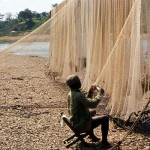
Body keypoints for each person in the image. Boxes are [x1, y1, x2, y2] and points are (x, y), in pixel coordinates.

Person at [66, 74, 112, 148]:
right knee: (105, 118)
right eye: (79, 81)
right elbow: (92, 104)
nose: (80, 82)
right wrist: (100, 93)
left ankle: (92, 136)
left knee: (93, 111)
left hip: (75, 120)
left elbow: (85, 102)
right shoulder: (78, 95)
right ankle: (104, 142)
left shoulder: (71, 93)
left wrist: (90, 92)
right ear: (77, 84)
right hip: (81, 125)